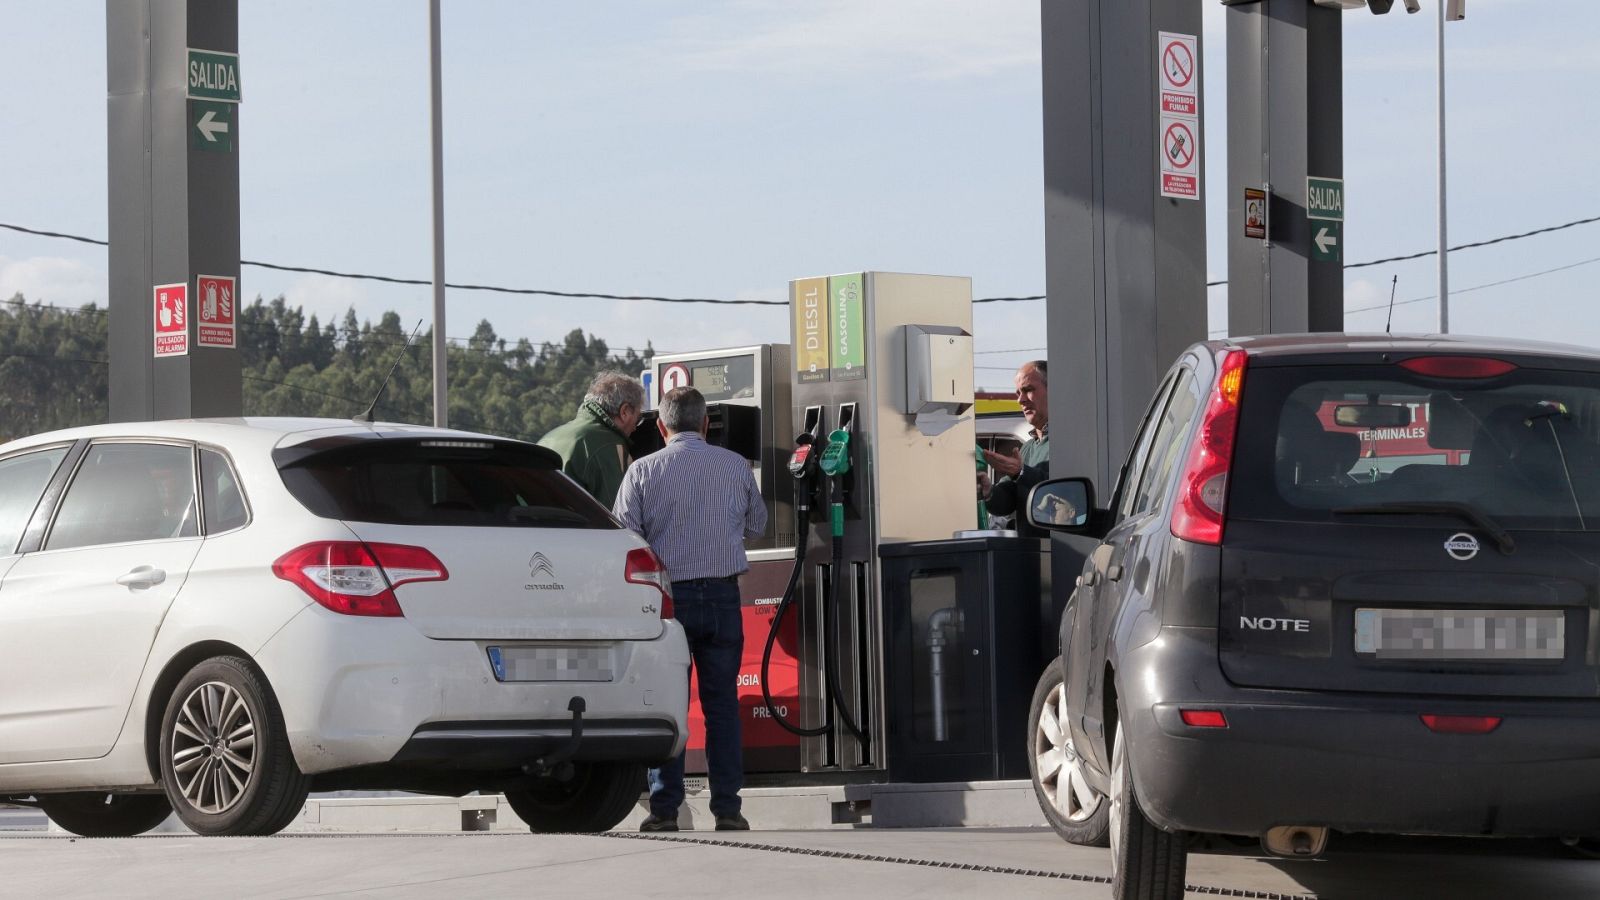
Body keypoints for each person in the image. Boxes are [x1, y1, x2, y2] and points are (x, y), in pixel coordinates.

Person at [612, 386, 766, 833]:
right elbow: (756, 524)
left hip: (667, 603)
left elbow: (626, 537)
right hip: (722, 597)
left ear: (660, 426)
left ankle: (665, 811)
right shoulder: (736, 466)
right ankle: (728, 810)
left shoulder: (642, 471)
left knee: (670, 707)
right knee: (722, 707)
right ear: (705, 424)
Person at [536, 371, 645, 508]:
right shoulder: (609, 446)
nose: (635, 427)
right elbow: (617, 513)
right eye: (638, 418)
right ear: (624, 411)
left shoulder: (547, 438)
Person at [980, 360, 1049, 534]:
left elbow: (1060, 491)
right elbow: (1006, 502)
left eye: (1028, 390)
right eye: (1018, 393)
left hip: (1065, 554)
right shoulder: (1026, 448)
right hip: (1033, 553)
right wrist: (988, 491)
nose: (1020, 400)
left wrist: (1021, 473)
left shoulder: (1074, 441)